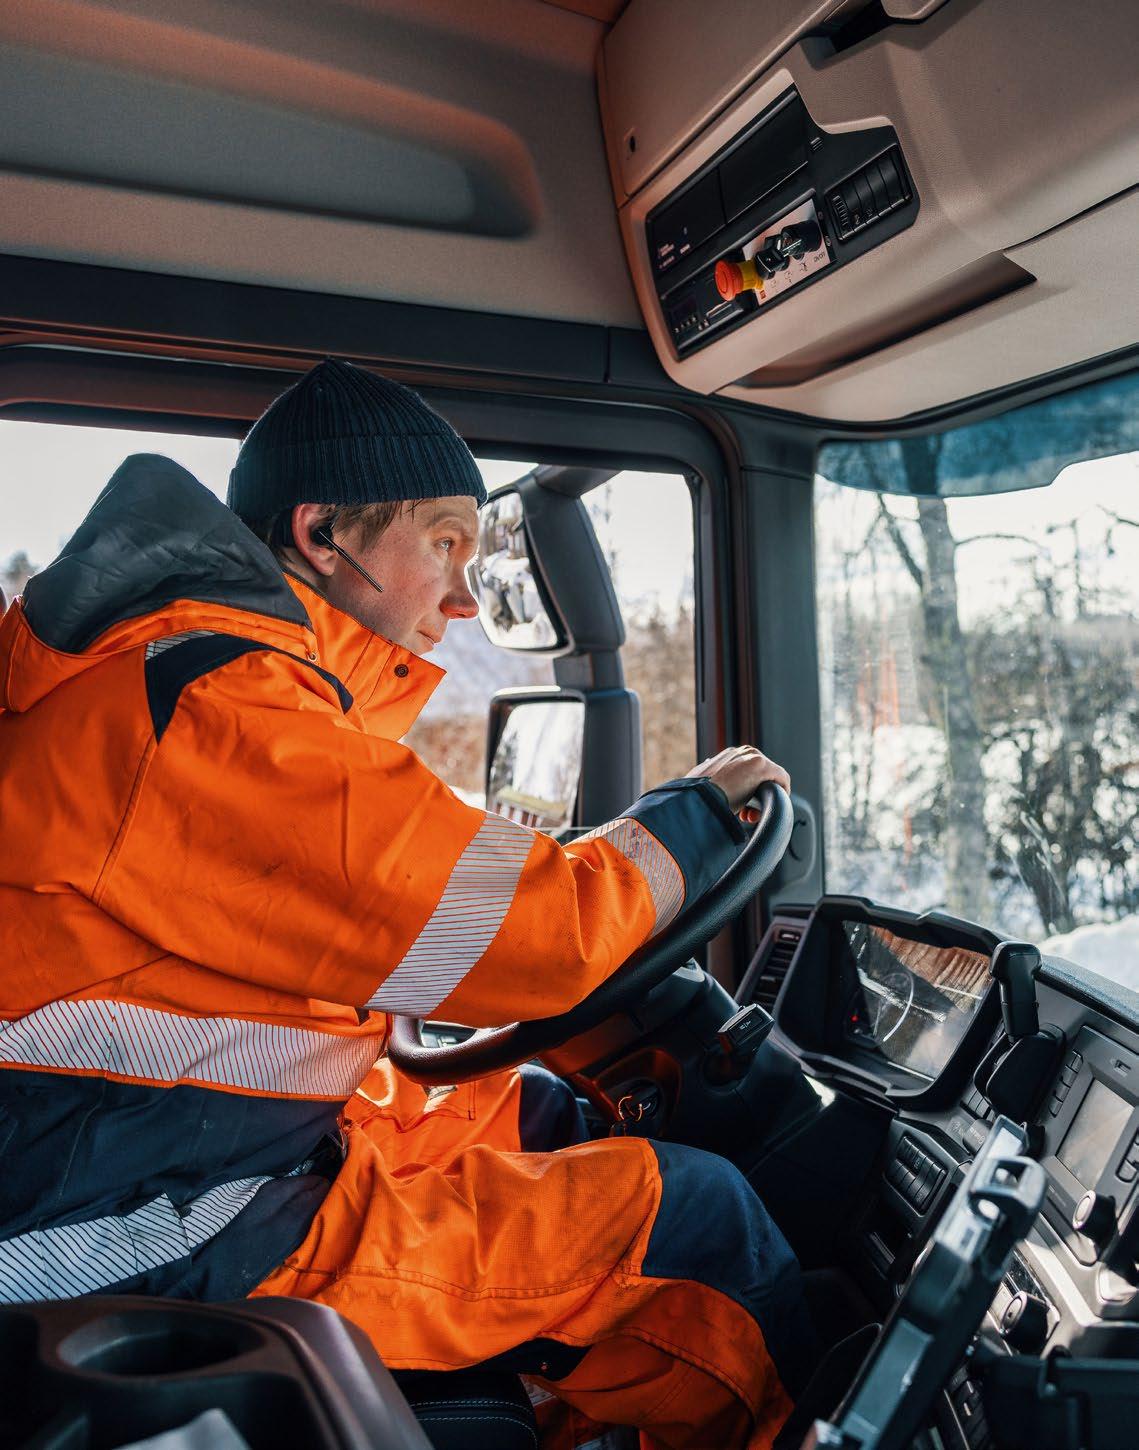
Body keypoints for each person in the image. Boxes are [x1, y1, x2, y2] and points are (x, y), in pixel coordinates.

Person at [0, 360, 815, 1448]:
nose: (465, 598)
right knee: (690, 1223)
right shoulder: (219, 710)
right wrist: (699, 814)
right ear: (322, 534)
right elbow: (535, 936)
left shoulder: (187, 680)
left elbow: (410, 905)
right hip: (132, 1229)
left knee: (545, 1115)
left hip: (164, 1153)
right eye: (443, 544)